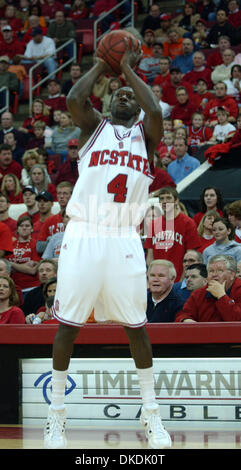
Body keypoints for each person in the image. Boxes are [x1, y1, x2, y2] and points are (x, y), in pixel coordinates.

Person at [44, 40, 172, 450]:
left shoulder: (145, 136)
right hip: (84, 232)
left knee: (137, 327)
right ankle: (56, 419)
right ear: (108, 102)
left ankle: (152, 417)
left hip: (124, 237)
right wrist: (105, 64)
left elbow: (154, 111)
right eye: (118, 92)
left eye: (129, 95)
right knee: (68, 325)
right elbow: (75, 98)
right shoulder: (93, 128)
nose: (124, 95)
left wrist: (129, 70)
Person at [145, 187, 201, 281]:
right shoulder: (154, 224)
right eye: (162, 198)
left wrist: (182, 281)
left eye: (168, 198)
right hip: (159, 279)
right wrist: (154, 277)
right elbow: (150, 256)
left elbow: (191, 257)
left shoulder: (188, 223)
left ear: (176, 201)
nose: (165, 201)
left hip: (178, 278)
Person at [175, 255, 241, 322]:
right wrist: (186, 320)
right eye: (211, 271)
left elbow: (237, 321)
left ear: (232, 275)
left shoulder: (239, 290)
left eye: (220, 270)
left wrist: (222, 296)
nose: (214, 274)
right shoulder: (199, 294)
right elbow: (182, 314)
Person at [7, 216, 41, 296]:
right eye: (21, 226)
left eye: (27, 226)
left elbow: (32, 270)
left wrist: (12, 264)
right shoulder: (10, 245)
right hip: (14, 289)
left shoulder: (36, 244)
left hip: (32, 287)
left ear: (32, 229)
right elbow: (7, 269)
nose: (24, 228)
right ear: (17, 229)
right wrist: (24, 266)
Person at [36, 181, 73, 254]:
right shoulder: (50, 220)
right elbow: (39, 247)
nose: (61, 196)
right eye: (59, 193)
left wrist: (52, 240)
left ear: (72, 195)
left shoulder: (77, 219)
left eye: (65, 193)